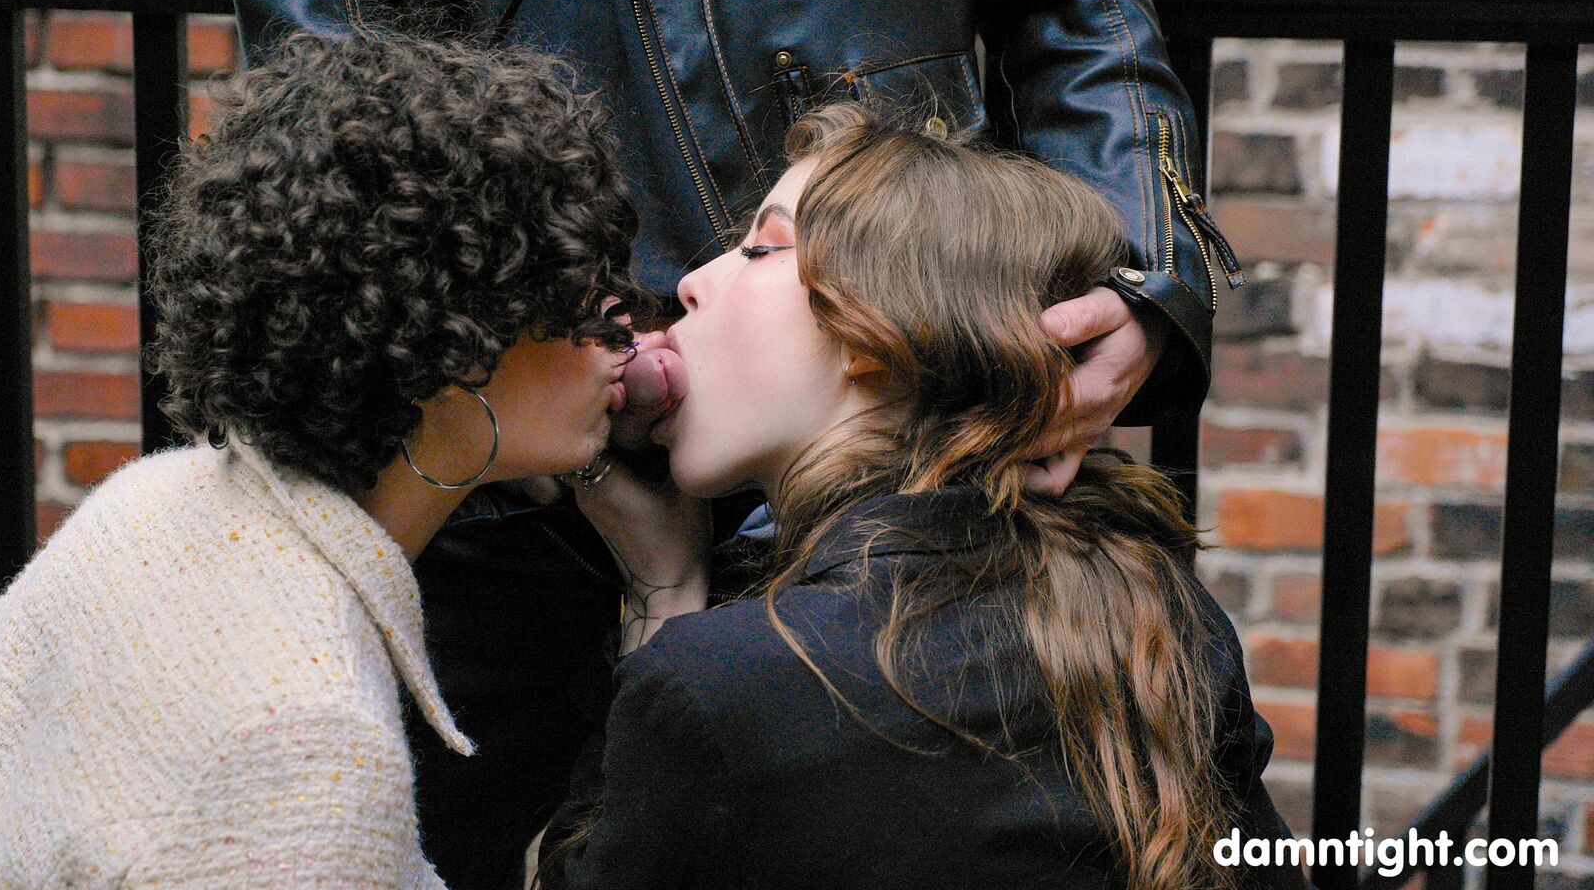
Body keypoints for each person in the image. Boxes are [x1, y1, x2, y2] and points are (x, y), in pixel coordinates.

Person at [209, 0, 1241, 883]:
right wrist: (480, 337)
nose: (700, 278)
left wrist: (1139, 274)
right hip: (498, 455)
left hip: (877, 442)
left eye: (759, 247)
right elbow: (321, 36)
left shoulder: (1169, 640)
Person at [0, 28, 647, 888]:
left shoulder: (145, 505)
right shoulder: (311, 741)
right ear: (446, 349)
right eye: (571, 290)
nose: (621, 318)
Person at [540, 101, 1300, 890]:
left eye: (763, 248)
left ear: (877, 327)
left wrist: (664, 597)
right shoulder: (1158, 615)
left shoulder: (715, 684)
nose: (691, 283)